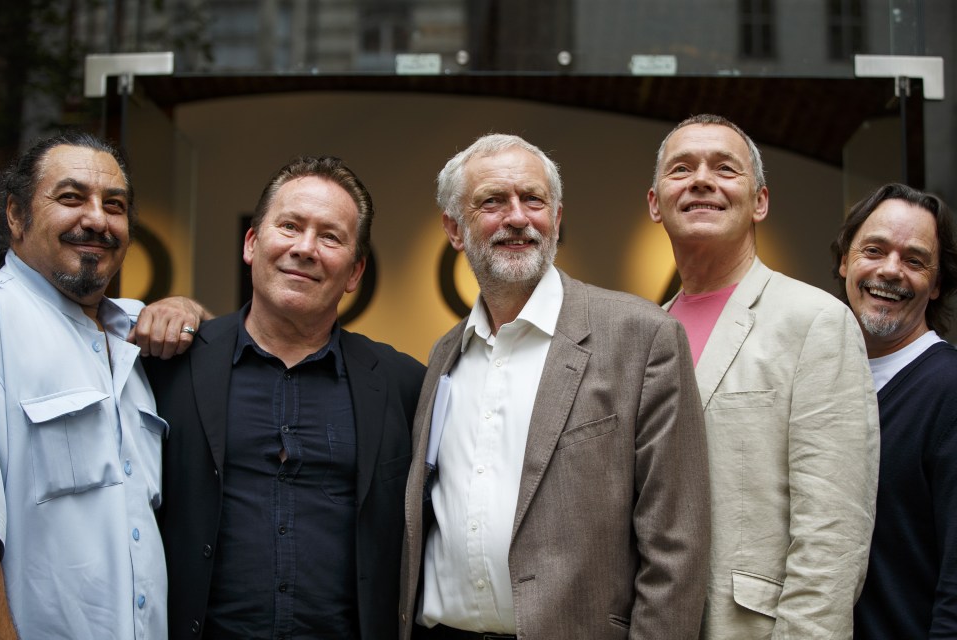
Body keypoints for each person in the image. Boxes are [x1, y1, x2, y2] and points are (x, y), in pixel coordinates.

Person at [399, 133, 711, 640]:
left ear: (557, 218)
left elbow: (676, 542)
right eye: (493, 202)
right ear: (454, 229)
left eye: (533, 199)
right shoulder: (444, 356)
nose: (517, 217)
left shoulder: (641, 336)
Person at [146, 155, 425, 639]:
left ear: (355, 271)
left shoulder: (402, 383)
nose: (306, 248)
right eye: (290, 226)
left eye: (331, 236)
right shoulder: (172, 367)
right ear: (252, 244)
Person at [646, 114, 880, 638]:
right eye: (681, 168)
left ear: (760, 202)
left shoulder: (815, 320)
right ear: (656, 203)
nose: (702, 179)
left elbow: (833, 534)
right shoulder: (648, 332)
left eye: (725, 168)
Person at [0, 131, 170, 639]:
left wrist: (186, 311)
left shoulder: (135, 339)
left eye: (114, 205)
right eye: (71, 198)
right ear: (15, 215)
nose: (97, 219)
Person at [831, 183, 957, 638]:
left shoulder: (948, 389)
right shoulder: (817, 382)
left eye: (915, 259)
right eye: (874, 250)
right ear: (846, 260)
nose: (890, 270)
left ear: (938, 283)